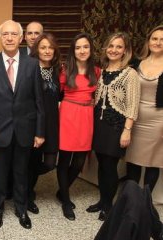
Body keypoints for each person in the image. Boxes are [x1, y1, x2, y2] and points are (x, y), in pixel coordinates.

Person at [0, 20, 45, 230]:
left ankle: (21, 208)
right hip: (0, 131)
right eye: (5, 34)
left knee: (21, 172)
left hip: (25, 130)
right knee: (0, 173)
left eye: (13, 34)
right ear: (1, 38)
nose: (9, 38)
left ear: (21, 38)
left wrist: (39, 132)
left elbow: (38, 102)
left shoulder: (32, 64)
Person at [90, 32, 140, 221]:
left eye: (119, 47)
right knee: (101, 165)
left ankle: (108, 206)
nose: (114, 50)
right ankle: (102, 201)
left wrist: (127, 130)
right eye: (111, 46)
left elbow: (133, 105)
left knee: (110, 166)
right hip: (99, 125)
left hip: (116, 126)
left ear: (125, 50)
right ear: (105, 48)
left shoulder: (130, 74)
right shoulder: (101, 71)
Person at [57, 33, 100, 221]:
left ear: (90, 49)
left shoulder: (97, 71)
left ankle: (61, 191)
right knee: (65, 159)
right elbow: (56, 95)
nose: (82, 51)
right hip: (68, 115)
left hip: (87, 117)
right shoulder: (65, 70)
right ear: (73, 51)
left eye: (85, 47)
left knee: (79, 161)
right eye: (78, 47)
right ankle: (65, 200)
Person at [126, 25, 163, 193]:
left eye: (162, 40)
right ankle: (130, 200)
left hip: (159, 121)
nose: (158, 42)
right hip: (135, 118)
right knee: (132, 161)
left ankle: (144, 203)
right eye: (154, 38)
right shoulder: (136, 63)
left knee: (153, 162)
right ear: (148, 41)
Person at [28, 33, 61, 214]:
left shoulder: (58, 70)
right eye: (43, 47)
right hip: (34, 123)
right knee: (32, 161)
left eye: (50, 47)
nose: (47, 51)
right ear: (36, 50)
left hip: (52, 124)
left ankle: (20, 180)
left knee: (50, 163)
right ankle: (27, 193)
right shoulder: (30, 69)